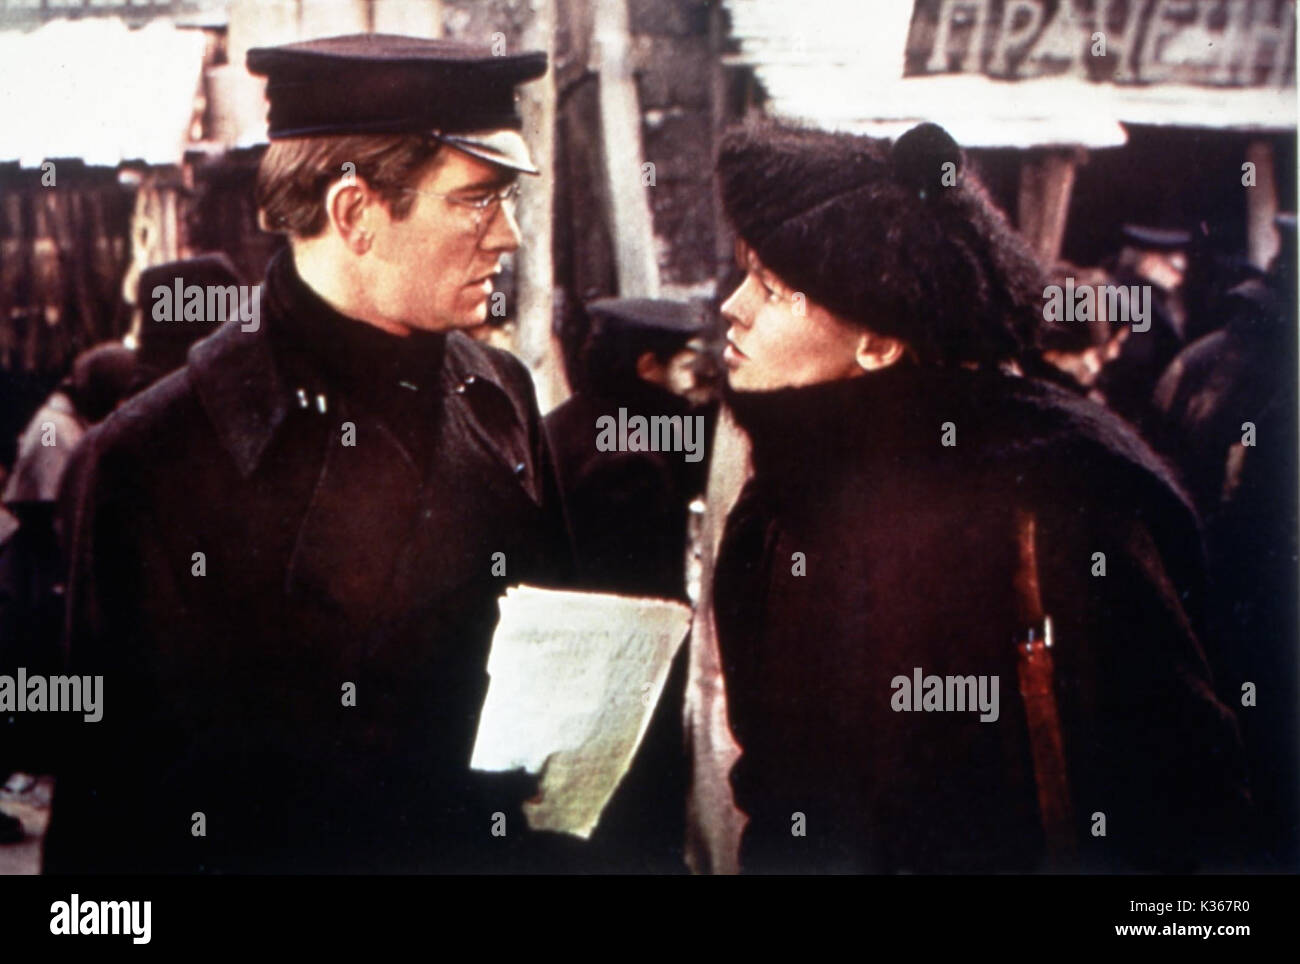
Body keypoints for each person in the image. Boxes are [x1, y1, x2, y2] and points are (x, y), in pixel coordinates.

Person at [46, 33, 575, 874]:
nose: (506, 234)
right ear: (355, 214)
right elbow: (107, 813)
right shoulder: (154, 456)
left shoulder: (500, 393)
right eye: (476, 199)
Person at [709, 119, 1250, 874]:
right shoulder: (780, 503)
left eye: (772, 289)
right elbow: (774, 783)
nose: (733, 307)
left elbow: (1188, 793)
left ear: (878, 341)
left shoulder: (1069, 490)